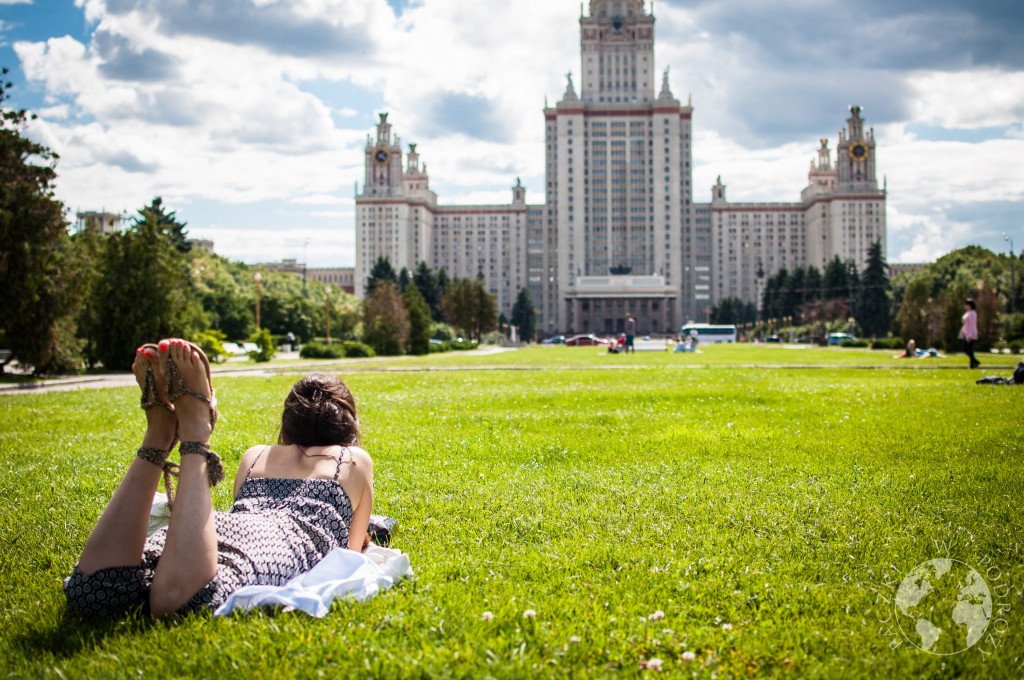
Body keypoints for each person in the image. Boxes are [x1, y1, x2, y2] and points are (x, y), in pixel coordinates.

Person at [64, 339, 373, 618]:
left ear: (287, 425)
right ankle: (195, 433)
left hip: (224, 530)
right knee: (182, 602)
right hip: (274, 544)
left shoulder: (257, 454)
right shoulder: (353, 459)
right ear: (349, 428)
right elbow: (350, 553)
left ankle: (158, 435)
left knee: (92, 593)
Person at [960, 299, 980, 369]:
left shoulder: (972, 314)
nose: (965, 306)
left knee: (969, 350)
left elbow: (972, 325)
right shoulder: (968, 313)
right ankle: (974, 363)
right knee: (967, 349)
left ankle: (973, 363)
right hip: (966, 333)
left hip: (970, 334)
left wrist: (970, 335)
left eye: (966, 304)